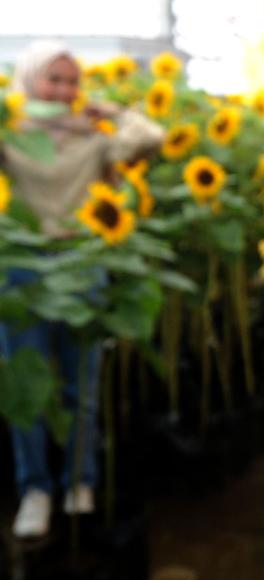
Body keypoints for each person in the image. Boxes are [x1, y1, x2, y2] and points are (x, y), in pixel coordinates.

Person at [1, 41, 165, 538]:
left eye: (72, 81)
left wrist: (113, 111)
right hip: (22, 265)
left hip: (82, 263)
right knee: (22, 388)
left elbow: (152, 138)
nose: (65, 91)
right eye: (54, 79)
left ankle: (80, 481)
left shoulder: (93, 138)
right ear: (29, 81)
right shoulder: (11, 138)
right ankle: (35, 489)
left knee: (82, 387)